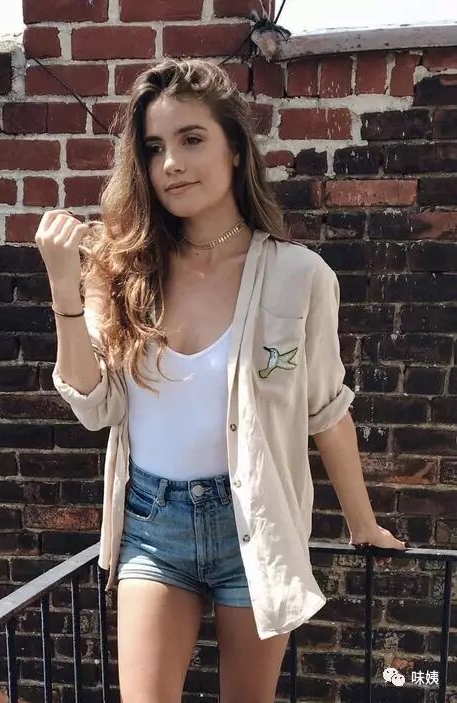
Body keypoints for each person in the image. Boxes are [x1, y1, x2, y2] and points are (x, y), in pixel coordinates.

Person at [36, 57, 407, 703]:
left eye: (191, 139)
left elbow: (326, 410)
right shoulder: (126, 271)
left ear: (235, 148)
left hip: (256, 523)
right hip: (152, 526)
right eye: (154, 148)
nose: (171, 164)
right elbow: (94, 406)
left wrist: (364, 523)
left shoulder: (299, 276)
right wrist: (64, 288)